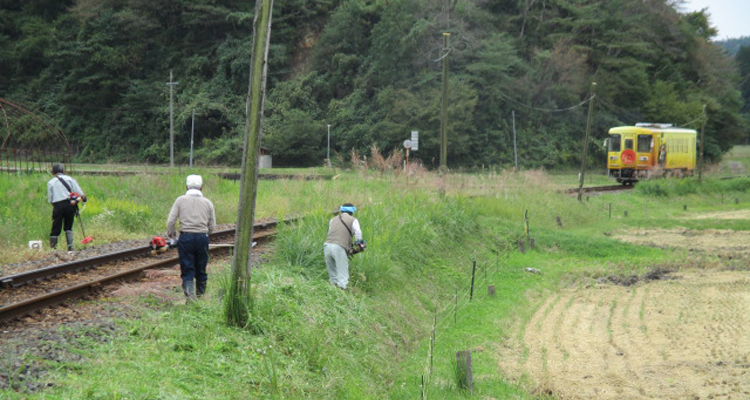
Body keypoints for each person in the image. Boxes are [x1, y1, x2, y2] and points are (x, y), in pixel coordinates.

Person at [167, 174, 216, 301]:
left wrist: (173, 236)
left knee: (187, 268)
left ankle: (190, 299)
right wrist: (205, 234)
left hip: (186, 238)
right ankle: (201, 297)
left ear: (186, 186)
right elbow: (212, 226)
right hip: (202, 238)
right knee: (201, 268)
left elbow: (171, 222)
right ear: (202, 187)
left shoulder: (180, 200)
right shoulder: (208, 203)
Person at [47, 163, 86, 251]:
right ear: (63, 171)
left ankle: (53, 248)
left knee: (56, 225)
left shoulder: (50, 182)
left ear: (53, 172)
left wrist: (56, 206)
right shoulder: (70, 179)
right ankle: (70, 247)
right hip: (70, 204)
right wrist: (83, 198)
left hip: (57, 205)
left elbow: (50, 199)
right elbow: (80, 193)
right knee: (68, 226)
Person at [324, 203, 363, 290]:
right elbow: (358, 232)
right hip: (339, 247)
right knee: (342, 275)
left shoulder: (332, 220)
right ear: (352, 212)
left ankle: (332, 290)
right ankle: (342, 294)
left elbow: (330, 232)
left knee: (332, 274)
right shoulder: (353, 220)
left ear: (341, 210)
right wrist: (359, 243)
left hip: (327, 245)